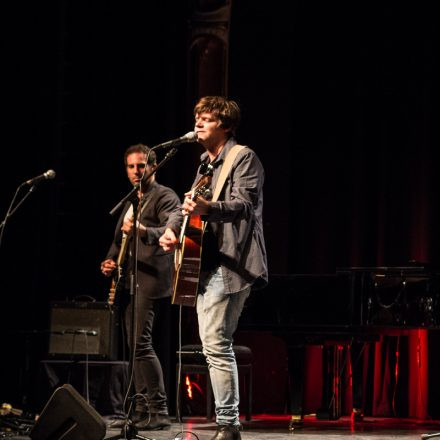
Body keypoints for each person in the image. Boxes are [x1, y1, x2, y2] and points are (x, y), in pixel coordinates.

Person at [159, 96, 268, 440]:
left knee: (216, 341)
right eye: (197, 118)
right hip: (205, 262)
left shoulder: (243, 157)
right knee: (211, 342)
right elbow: (188, 203)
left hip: (231, 263)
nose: (199, 123)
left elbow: (244, 205)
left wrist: (209, 207)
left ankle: (228, 424)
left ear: (226, 125)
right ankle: (227, 421)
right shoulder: (205, 163)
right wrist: (172, 230)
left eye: (207, 118)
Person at [101, 144, 180, 431]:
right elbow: (119, 239)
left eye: (142, 166)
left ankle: (159, 410)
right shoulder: (131, 199)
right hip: (128, 280)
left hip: (150, 280)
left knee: (141, 344)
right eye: (131, 167)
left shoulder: (164, 196)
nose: (137, 171)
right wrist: (109, 261)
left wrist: (143, 231)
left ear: (154, 166)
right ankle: (140, 408)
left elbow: (172, 227)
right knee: (133, 346)